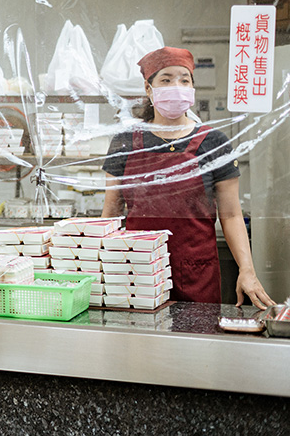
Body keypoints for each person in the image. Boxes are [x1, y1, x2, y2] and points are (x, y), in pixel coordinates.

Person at [101, 46, 274, 309]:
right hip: (137, 272)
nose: (176, 86)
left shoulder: (213, 142)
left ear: (193, 88)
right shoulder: (125, 141)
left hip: (197, 272)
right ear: (149, 89)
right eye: (166, 80)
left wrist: (247, 270)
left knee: (197, 343)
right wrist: (100, 264)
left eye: (184, 79)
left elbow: (230, 214)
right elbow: (112, 210)